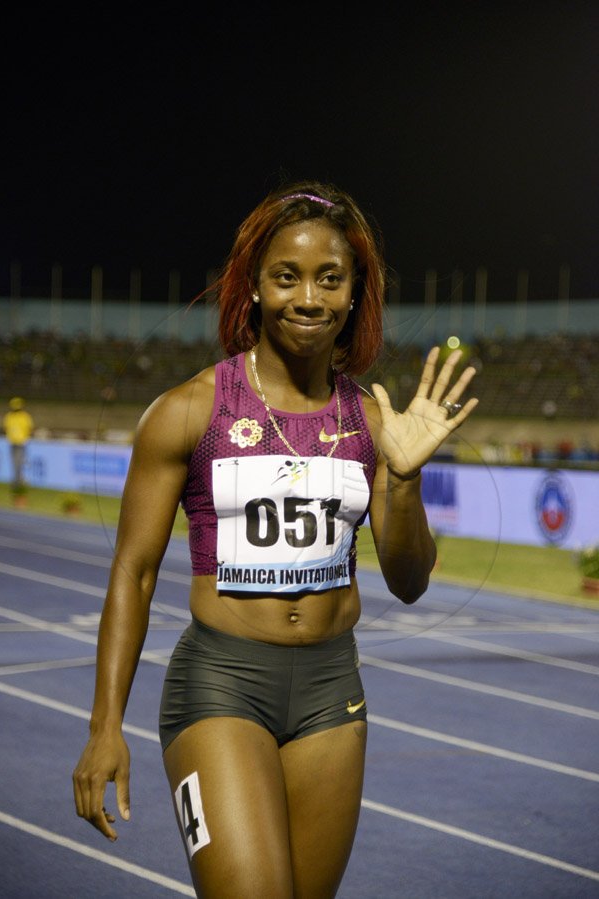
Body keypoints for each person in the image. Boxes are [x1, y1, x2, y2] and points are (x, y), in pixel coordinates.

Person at [72, 182, 478, 898]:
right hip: (220, 684)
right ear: (253, 286)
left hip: (331, 693)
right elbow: (133, 573)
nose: (309, 298)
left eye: (331, 278)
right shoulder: (188, 410)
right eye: (286, 276)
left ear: (356, 293)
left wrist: (405, 479)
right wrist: (106, 725)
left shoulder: (376, 425)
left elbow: (410, 581)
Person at [3, 396, 34, 501]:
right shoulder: (10, 417)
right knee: (15, 463)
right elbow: (6, 428)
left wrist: (26, 438)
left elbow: (29, 428)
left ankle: (18, 483)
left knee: (19, 463)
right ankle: (17, 482)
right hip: (13, 443)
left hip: (21, 443)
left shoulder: (24, 416)